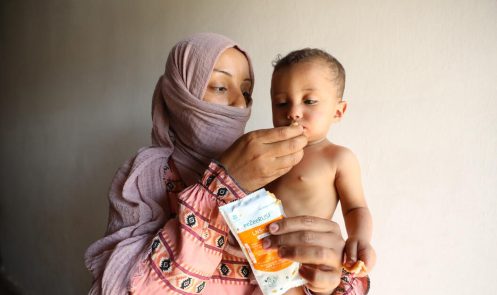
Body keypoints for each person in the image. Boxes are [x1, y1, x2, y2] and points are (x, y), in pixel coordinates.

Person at [84, 33, 370, 295]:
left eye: (246, 93)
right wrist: (222, 185)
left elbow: (338, 261)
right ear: (180, 94)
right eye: (221, 87)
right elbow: (120, 288)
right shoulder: (148, 176)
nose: (238, 104)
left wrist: (329, 282)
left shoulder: (269, 161)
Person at [263, 48, 376, 283]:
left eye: (309, 101)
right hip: (258, 255)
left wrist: (359, 238)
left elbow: (356, 208)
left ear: (338, 111)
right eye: (281, 103)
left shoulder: (337, 158)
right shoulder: (263, 151)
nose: (293, 112)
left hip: (305, 261)